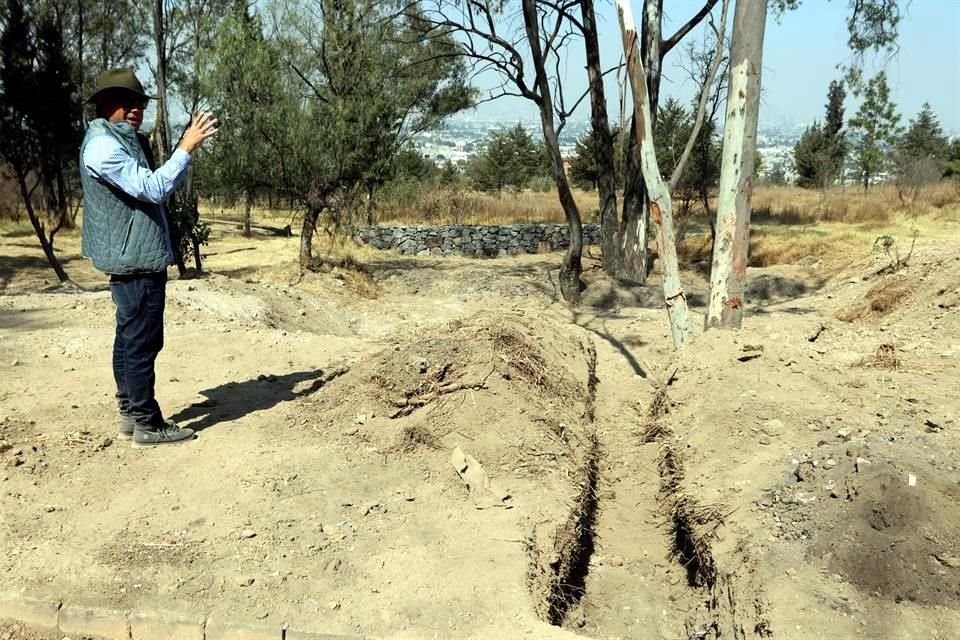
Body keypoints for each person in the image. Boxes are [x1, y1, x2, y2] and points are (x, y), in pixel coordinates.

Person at [80, 68, 218, 448]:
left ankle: (130, 412)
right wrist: (186, 148)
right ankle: (147, 422)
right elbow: (153, 188)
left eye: (139, 102)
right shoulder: (105, 147)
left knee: (129, 338)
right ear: (106, 105)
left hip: (133, 255)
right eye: (127, 102)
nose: (136, 108)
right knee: (142, 341)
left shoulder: (121, 140)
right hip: (135, 259)